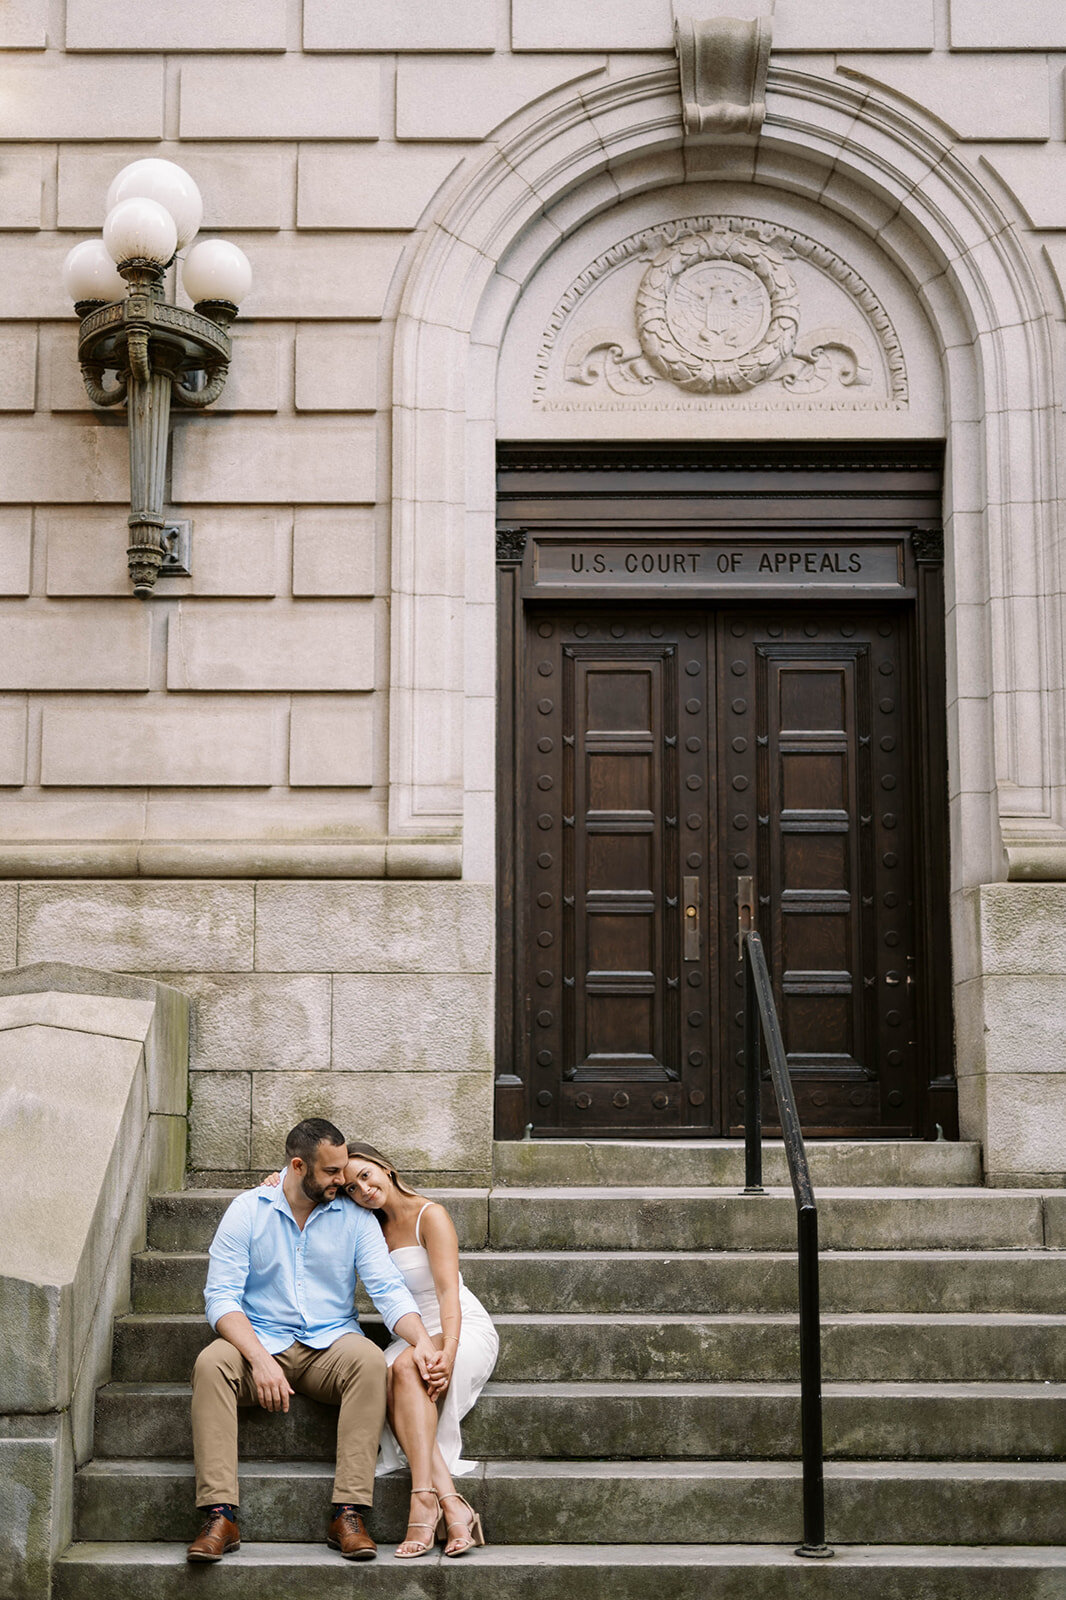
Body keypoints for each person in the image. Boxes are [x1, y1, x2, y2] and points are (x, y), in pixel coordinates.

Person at [187, 1117, 442, 1564]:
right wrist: (259, 1359)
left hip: (330, 1345)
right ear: (298, 1166)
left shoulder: (354, 1217)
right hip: (260, 1339)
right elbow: (220, 1298)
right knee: (211, 1364)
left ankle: (349, 1513)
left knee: (368, 1360)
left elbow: (386, 1288)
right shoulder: (248, 1210)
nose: (341, 1180)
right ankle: (219, 1516)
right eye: (331, 1171)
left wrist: (420, 1339)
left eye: (344, 1169)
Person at [344, 1140, 499, 1558]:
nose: (363, 1190)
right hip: (411, 1333)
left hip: (458, 1327)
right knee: (390, 1370)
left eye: (365, 1176)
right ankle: (444, 1500)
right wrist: (275, 1180)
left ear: (385, 1168)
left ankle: (426, 1504)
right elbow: (303, 1191)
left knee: (405, 1370)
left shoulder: (431, 1215)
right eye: (352, 1188)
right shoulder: (365, 1226)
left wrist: (447, 1352)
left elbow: (449, 1293)